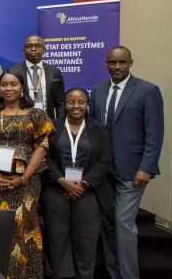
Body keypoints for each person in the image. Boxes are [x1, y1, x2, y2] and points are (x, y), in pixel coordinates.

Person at [89, 46, 164, 279]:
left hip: (133, 171)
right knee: (109, 225)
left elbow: (154, 134)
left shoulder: (147, 91)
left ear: (131, 62)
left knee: (123, 223)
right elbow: (93, 129)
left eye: (122, 62)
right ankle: (115, 274)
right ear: (106, 63)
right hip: (104, 171)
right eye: (112, 62)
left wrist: (146, 167)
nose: (117, 67)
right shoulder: (98, 90)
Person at [0, 68, 54, 279]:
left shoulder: (36, 114)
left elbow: (43, 145)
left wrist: (24, 177)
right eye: (4, 85)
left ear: (22, 89)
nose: (8, 88)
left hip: (26, 182)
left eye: (13, 84)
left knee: (24, 225)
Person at [43, 87, 114, 279]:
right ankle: (58, 275)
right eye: (72, 102)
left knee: (86, 241)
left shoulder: (99, 129)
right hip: (56, 191)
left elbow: (105, 160)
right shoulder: (52, 127)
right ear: (65, 104)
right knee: (56, 241)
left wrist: (82, 185)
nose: (76, 106)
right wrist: (63, 182)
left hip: (89, 193)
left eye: (81, 102)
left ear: (87, 104)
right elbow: (44, 158)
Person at [9, 34, 66, 119]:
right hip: (21, 123)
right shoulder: (13, 72)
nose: (33, 49)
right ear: (24, 50)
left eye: (37, 46)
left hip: (48, 122)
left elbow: (60, 104)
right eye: (29, 46)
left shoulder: (55, 72)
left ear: (44, 50)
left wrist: (59, 124)